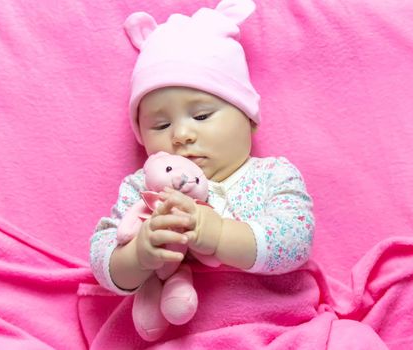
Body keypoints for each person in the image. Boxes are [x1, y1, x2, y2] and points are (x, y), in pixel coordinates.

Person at [90, 0, 314, 338]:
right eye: (161, 124)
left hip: (276, 325)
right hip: (178, 334)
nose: (181, 135)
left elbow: (295, 241)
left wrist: (219, 235)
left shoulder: (273, 175)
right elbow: (101, 250)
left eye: (201, 116)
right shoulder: (143, 188)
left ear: (249, 120)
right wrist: (138, 255)